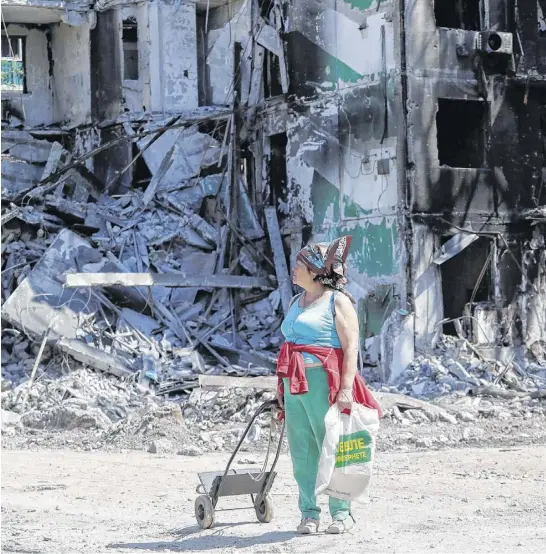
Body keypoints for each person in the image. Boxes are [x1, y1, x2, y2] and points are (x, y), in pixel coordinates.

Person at [276, 235, 382, 535]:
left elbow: (351, 348)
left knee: (332, 447)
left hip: (324, 383)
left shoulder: (338, 302)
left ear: (313, 270)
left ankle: (341, 513)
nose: (293, 269)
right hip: (295, 384)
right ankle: (309, 513)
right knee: (302, 452)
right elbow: (290, 343)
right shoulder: (297, 301)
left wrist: (346, 388)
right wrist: (281, 389)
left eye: (298, 264)